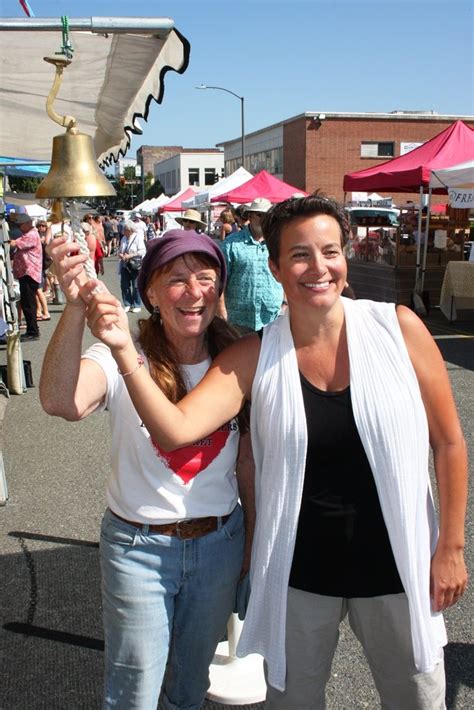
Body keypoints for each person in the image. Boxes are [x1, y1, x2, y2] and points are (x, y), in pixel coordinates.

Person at [78, 194, 467, 710]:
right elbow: (175, 430)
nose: (318, 267)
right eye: (300, 254)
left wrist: (451, 547)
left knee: (417, 699)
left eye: (330, 250)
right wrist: (125, 351)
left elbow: (449, 441)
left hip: (398, 564)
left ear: (345, 257)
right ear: (276, 267)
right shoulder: (254, 355)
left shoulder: (398, 328)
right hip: (300, 572)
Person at [40, 229, 255, 710]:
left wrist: (253, 540)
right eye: (176, 279)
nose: (194, 291)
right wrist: (76, 308)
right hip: (138, 547)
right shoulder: (124, 347)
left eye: (206, 278)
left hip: (219, 543)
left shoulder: (235, 355)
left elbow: (248, 461)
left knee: (189, 685)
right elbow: (59, 401)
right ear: (151, 293)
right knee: (133, 691)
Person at [219, 197, 284, 331]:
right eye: (259, 215)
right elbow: (220, 280)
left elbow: (287, 275)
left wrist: (285, 303)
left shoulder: (278, 242)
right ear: (250, 216)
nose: (263, 219)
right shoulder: (231, 244)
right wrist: (221, 311)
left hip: (272, 318)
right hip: (238, 319)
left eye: (267, 215)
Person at [9, 213, 43, 341]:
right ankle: (32, 330)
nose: (18, 227)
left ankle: (33, 331)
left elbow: (15, 244)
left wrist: (7, 240)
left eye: (20, 225)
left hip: (29, 273)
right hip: (27, 273)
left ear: (26, 224)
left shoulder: (31, 235)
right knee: (28, 303)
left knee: (29, 304)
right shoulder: (30, 234)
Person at [118, 220, 146, 313]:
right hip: (124, 264)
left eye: (125, 229)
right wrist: (121, 254)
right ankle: (127, 304)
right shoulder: (123, 239)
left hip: (135, 265)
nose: (123, 231)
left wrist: (130, 255)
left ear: (130, 230)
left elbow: (142, 251)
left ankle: (137, 304)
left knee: (135, 286)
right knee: (124, 285)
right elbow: (120, 250)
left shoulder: (138, 238)